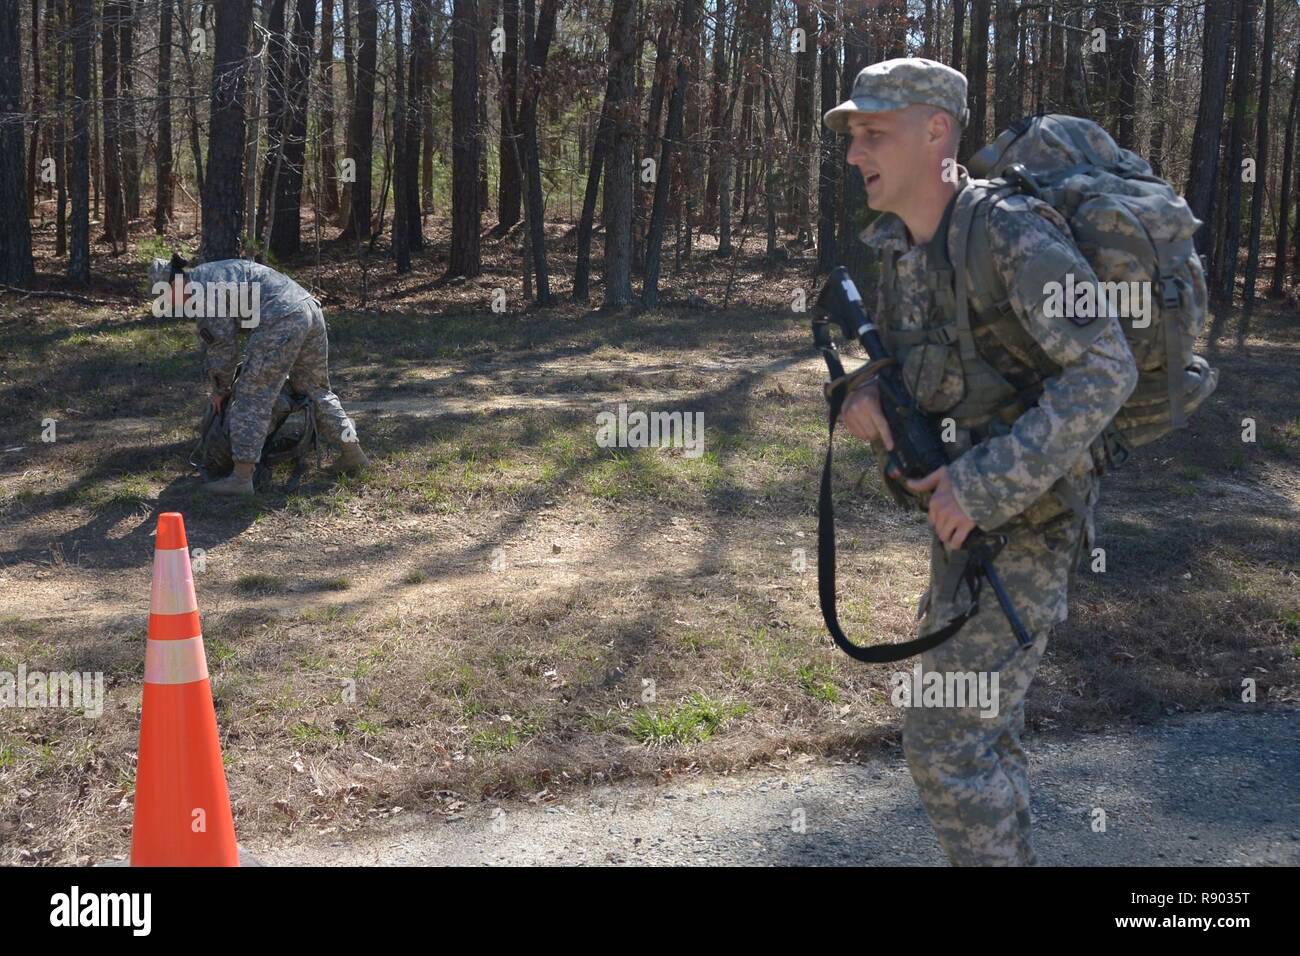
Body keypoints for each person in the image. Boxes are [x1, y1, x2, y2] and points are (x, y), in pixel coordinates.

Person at [822, 58, 1139, 865]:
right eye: (852, 135)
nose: (855, 152)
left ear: (937, 131)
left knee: (945, 738)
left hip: (1024, 525)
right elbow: (921, 376)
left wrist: (980, 482)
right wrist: (864, 396)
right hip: (962, 527)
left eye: (872, 133)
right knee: (984, 736)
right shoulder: (901, 247)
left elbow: (1106, 367)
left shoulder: (1011, 235)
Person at [149, 255, 370, 495]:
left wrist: (221, 390)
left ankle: (241, 478)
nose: (170, 303)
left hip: (280, 318)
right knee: (315, 389)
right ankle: (353, 452)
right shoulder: (209, 274)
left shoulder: (203, 293)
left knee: (251, 395)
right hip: (307, 308)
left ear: (175, 282)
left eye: (167, 295)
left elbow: (223, 349)